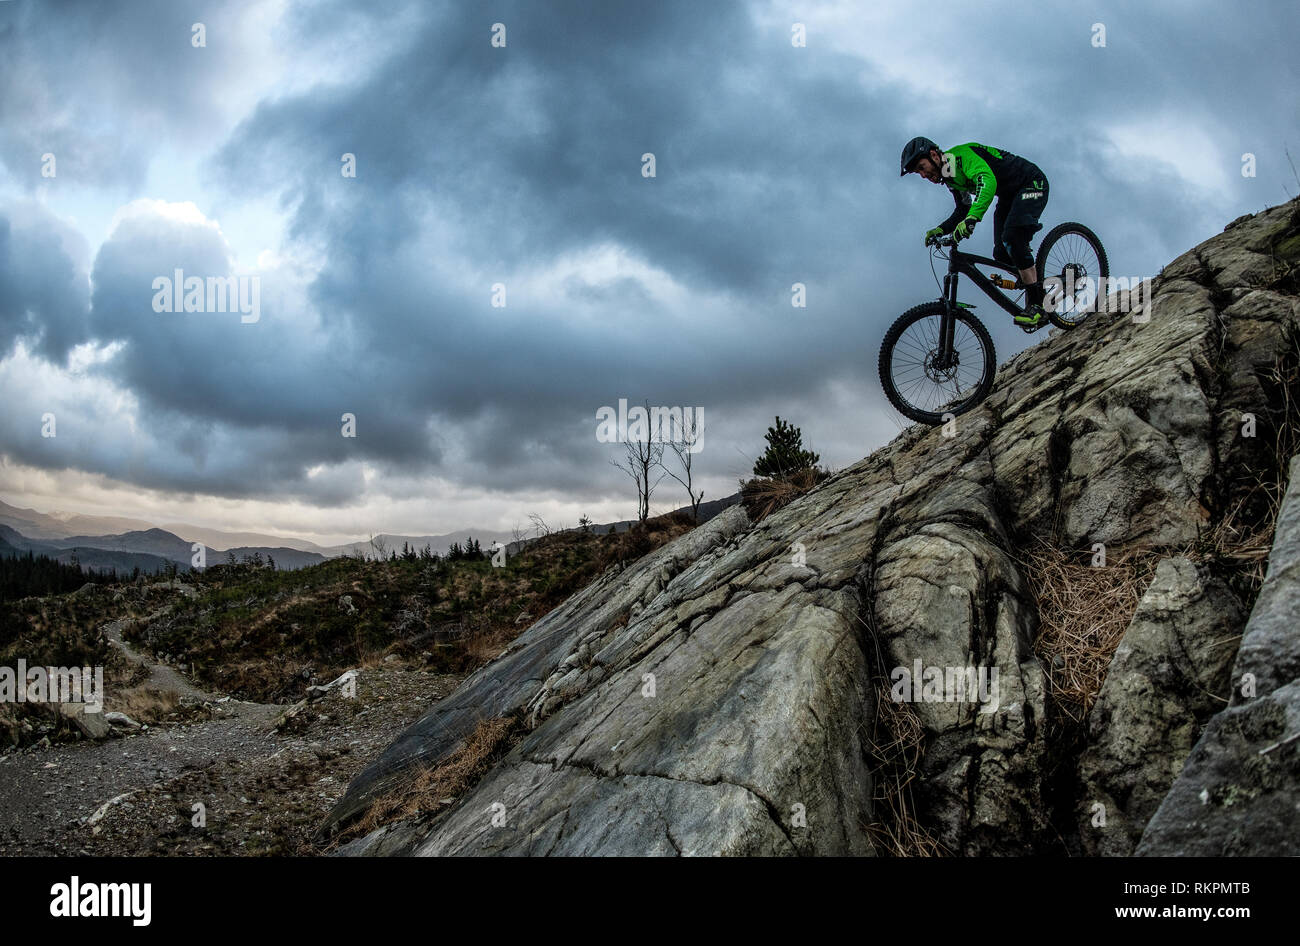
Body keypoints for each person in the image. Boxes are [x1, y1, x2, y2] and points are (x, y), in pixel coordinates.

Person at [900, 137, 1050, 328]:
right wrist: (941, 229)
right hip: (1010, 195)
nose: (923, 175)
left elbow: (986, 181)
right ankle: (1032, 279)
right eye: (918, 172)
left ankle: (1038, 306)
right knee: (1001, 253)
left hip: (1032, 185)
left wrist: (973, 219)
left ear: (933, 155)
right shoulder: (950, 175)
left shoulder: (960, 158)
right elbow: (963, 208)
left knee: (1012, 238)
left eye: (922, 167)